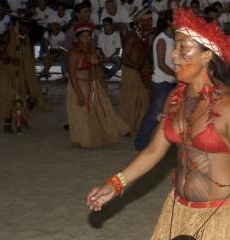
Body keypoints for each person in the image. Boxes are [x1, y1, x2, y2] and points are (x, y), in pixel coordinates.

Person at [87, 8, 230, 240]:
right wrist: (115, 184)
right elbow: (154, 151)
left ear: (208, 55)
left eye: (184, 48)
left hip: (220, 216)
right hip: (179, 211)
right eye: (176, 46)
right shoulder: (175, 99)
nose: (175, 56)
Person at [66, 22, 130, 148]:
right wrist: (79, 93)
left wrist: (99, 80)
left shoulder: (91, 49)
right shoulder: (74, 54)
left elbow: (96, 65)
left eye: (88, 36)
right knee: (80, 113)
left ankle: (113, 129)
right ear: (77, 38)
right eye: (83, 36)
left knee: (104, 108)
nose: (86, 39)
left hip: (94, 84)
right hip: (79, 85)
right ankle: (79, 139)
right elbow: (72, 75)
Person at [0, 17, 50, 132]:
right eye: (24, 26)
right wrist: (11, 60)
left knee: (27, 95)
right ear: (18, 24)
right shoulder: (9, 34)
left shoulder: (26, 36)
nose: (26, 29)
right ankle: (7, 124)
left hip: (23, 72)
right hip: (9, 72)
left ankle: (22, 119)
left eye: (28, 26)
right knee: (9, 97)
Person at [134, 10, 177, 151]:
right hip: (162, 82)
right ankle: (141, 144)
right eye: (177, 22)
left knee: (165, 114)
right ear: (169, 22)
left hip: (168, 80)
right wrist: (178, 75)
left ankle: (146, 143)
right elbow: (161, 64)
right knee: (154, 114)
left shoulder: (171, 38)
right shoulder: (162, 39)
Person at [120, 20, 151, 131]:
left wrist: (146, 68)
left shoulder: (144, 37)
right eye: (148, 21)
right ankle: (127, 125)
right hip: (131, 72)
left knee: (143, 98)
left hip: (140, 70)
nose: (150, 24)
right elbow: (123, 59)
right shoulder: (132, 37)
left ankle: (140, 124)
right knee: (131, 99)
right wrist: (137, 67)